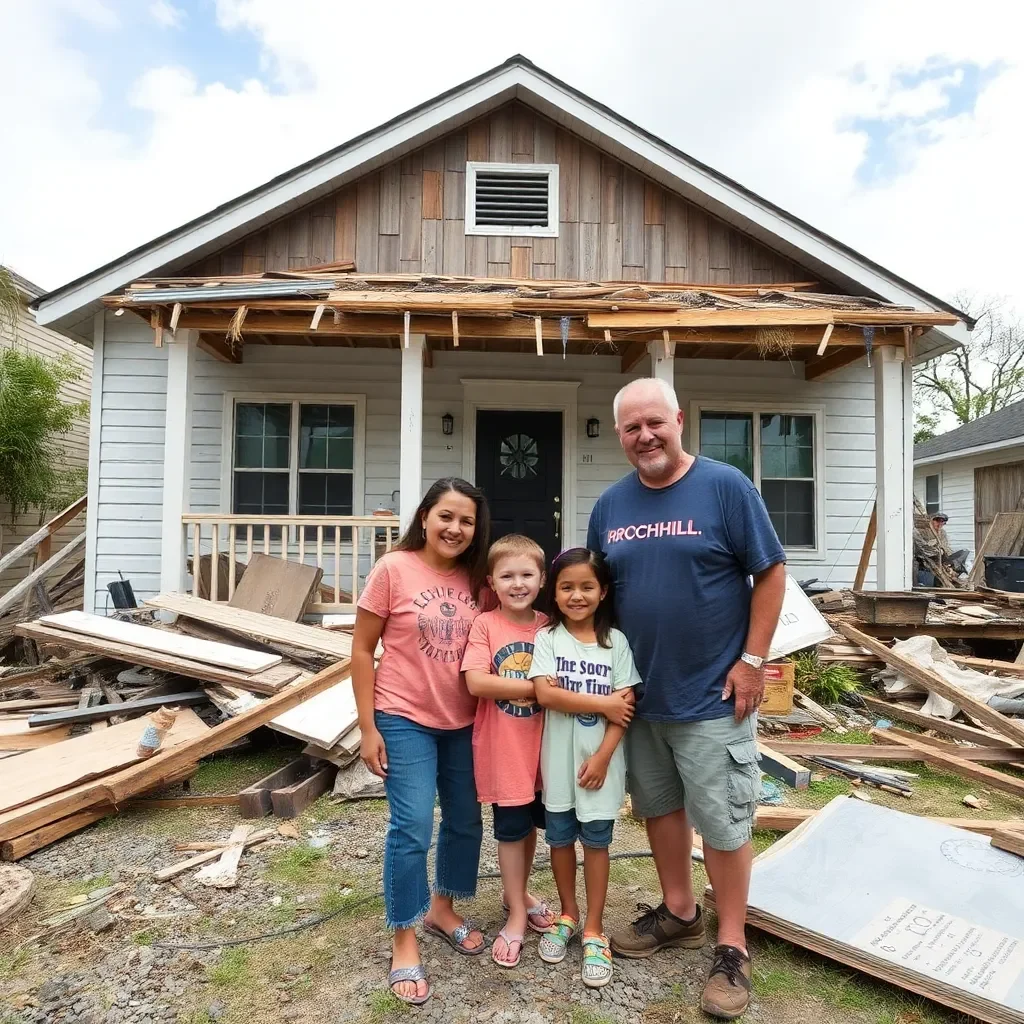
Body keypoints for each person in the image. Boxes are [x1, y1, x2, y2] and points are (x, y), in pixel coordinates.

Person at [587, 378, 787, 1020]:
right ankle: (679, 911)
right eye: (630, 428)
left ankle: (732, 944)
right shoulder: (610, 505)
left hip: (713, 695)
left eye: (654, 423)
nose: (644, 436)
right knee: (660, 809)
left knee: (724, 823)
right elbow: (595, 595)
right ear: (618, 435)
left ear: (678, 420)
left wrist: (752, 660)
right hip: (640, 699)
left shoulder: (725, 487)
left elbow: (771, 570)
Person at [352, 477, 491, 1006]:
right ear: (426, 517)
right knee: (411, 826)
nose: (455, 528)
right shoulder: (393, 569)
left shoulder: (479, 579)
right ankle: (404, 936)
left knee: (464, 820)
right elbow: (362, 650)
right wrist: (368, 728)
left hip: (464, 720)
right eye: (446, 516)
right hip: (403, 715)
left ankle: (442, 907)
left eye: (467, 520)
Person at [529, 547, 640, 989]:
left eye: (586, 586)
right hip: (557, 765)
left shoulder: (616, 643)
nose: (577, 595)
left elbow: (625, 709)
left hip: (600, 768)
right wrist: (602, 702)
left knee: (596, 843)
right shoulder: (547, 640)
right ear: (553, 593)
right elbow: (545, 696)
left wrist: (602, 757)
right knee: (558, 840)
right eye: (567, 587)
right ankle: (568, 915)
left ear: (603, 591)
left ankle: (594, 928)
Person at [463, 534, 557, 969]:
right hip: (504, 749)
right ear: (492, 581)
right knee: (509, 829)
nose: (517, 583)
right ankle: (517, 913)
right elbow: (477, 682)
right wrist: (534, 688)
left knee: (531, 824)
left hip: (546, 750)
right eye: (507, 575)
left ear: (541, 579)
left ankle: (515, 892)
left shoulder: (550, 627)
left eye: (526, 575)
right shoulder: (485, 624)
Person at [913, 511, 968, 586]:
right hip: (927, 561)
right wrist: (936, 547)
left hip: (942, 560)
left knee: (964, 552)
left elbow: (946, 546)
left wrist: (948, 556)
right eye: (937, 521)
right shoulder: (924, 532)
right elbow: (923, 547)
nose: (940, 524)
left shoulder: (942, 533)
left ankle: (953, 570)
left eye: (942, 522)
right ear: (932, 521)